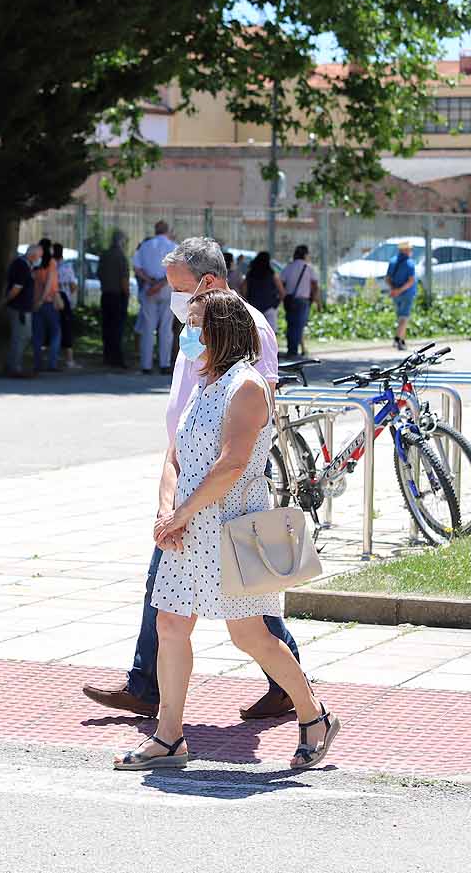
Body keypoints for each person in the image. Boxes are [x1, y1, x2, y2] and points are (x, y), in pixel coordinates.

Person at [112, 289, 339, 771]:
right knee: (170, 623)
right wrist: (166, 511)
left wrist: (183, 514)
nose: (186, 334)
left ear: (222, 330)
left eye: (195, 323)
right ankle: (170, 736)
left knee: (250, 635)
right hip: (188, 527)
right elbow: (175, 454)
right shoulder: (204, 382)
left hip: (230, 528)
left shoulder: (248, 386)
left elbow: (233, 464)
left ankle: (313, 714)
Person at [83, 236, 303, 724]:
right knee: (174, 610)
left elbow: (244, 431)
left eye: (180, 288)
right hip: (187, 488)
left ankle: (303, 700)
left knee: (249, 621)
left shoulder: (243, 330)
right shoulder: (198, 327)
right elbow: (186, 417)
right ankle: (154, 699)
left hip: (223, 498)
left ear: (208, 283)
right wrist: (170, 501)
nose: (173, 298)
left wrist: (182, 507)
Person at [134, 221, 176, 374]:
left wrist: (150, 282)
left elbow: (137, 267)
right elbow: (176, 270)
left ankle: (147, 365)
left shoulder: (145, 246)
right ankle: (164, 364)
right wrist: (161, 283)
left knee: (148, 328)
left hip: (148, 288)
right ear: (167, 230)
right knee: (166, 328)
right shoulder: (173, 247)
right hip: (167, 288)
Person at [3, 242, 43, 378]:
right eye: (39, 256)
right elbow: (17, 287)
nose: (39, 259)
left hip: (23, 307)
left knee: (24, 336)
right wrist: (7, 299)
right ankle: (14, 367)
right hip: (19, 307)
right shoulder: (21, 265)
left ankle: (12, 364)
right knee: (20, 337)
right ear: (33, 255)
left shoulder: (26, 265)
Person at [280, 244, 321, 359]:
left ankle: (291, 348)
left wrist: (284, 296)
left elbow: (281, 282)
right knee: (299, 325)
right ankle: (293, 351)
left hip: (289, 300)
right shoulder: (308, 268)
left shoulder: (288, 267)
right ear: (305, 255)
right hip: (303, 301)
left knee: (291, 324)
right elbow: (315, 286)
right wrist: (318, 302)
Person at [98, 231, 130, 368]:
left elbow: (99, 273)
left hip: (106, 294)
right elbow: (124, 279)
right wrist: (127, 293)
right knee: (117, 328)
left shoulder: (104, 255)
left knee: (107, 327)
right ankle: (117, 359)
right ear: (122, 242)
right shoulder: (121, 257)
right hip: (118, 296)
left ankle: (107, 356)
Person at [32, 240, 62, 372]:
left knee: (38, 334)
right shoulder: (52, 263)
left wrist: (37, 301)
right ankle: (52, 363)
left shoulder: (36, 263)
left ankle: (37, 363)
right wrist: (43, 299)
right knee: (56, 332)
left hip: (35, 301)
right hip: (49, 301)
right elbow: (49, 284)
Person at [386, 240, 418, 352]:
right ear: (405, 250)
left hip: (395, 294)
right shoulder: (410, 263)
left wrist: (394, 290)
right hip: (406, 293)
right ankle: (397, 339)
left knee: (400, 317)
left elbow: (388, 278)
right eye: (409, 249)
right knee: (404, 318)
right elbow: (411, 281)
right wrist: (399, 290)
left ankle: (402, 341)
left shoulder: (393, 261)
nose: (411, 251)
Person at [243, 250, 283, 331]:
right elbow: (282, 292)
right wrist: (276, 304)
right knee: (271, 333)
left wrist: (247, 302)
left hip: (254, 307)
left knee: (255, 333)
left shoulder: (250, 274)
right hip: (270, 307)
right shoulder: (272, 274)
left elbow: (244, 290)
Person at [56, 241, 80, 370]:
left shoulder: (48, 266)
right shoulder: (66, 267)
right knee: (66, 329)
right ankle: (69, 359)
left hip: (51, 300)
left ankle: (52, 356)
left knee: (53, 328)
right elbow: (73, 286)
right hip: (64, 300)